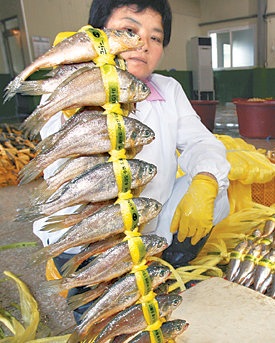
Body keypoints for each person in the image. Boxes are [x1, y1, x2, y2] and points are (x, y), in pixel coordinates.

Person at [33, 0, 230, 305]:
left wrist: (205, 181)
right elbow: (56, 151)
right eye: (128, 31)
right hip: (87, 232)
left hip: (147, 223)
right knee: (100, 308)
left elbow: (203, 143)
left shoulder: (168, 88)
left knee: (215, 186)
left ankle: (168, 269)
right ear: (97, 34)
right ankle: (89, 288)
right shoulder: (73, 85)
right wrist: (78, 80)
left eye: (156, 37)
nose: (143, 45)